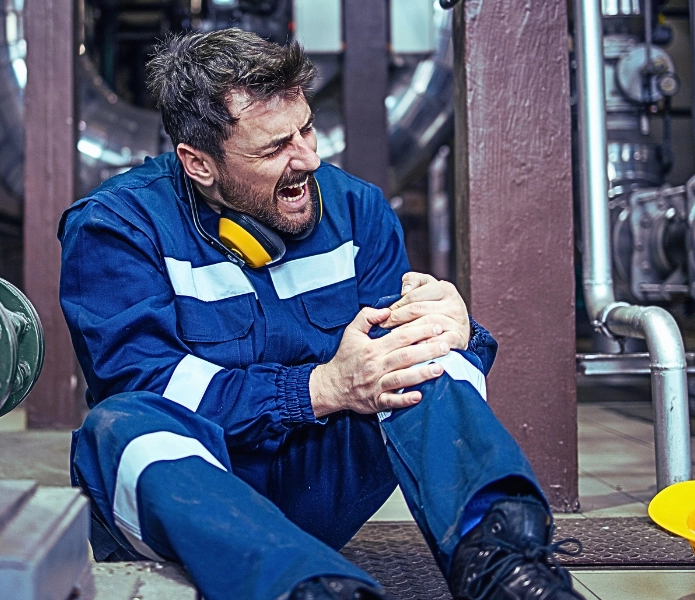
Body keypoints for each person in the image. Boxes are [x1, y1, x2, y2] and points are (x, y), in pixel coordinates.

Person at [58, 28, 584, 600]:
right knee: (118, 425)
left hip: (316, 486)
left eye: (305, 129)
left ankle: (507, 569)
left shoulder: (355, 208)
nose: (307, 158)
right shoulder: (117, 228)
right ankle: (313, 589)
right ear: (198, 163)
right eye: (273, 147)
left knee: (421, 362)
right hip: (197, 500)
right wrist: (318, 388)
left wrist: (453, 330)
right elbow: (150, 384)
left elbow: (399, 353)